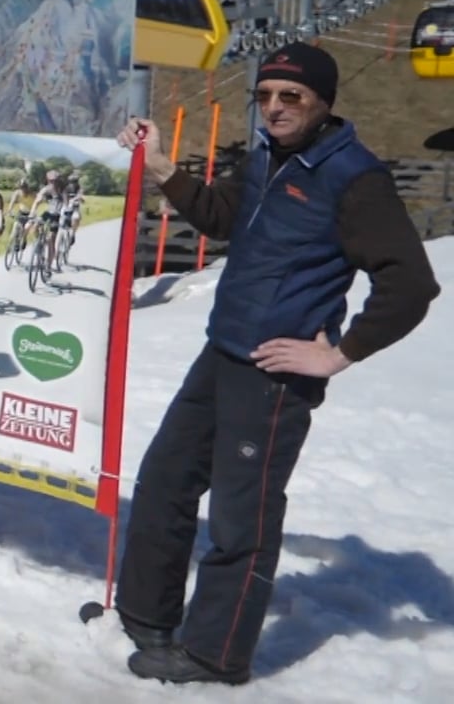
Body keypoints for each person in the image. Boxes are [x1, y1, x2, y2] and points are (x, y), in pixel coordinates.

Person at [111, 42, 439, 686]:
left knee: (242, 517)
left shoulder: (354, 178)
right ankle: (146, 615)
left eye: (291, 96)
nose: (274, 107)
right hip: (223, 350)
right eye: (264, 95)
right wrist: (160, 169)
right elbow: (220, 216)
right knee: (165, 477)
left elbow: (411, 284)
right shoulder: (267, 156)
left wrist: (337, 355)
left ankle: (215, 653)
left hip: (274, 374)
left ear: (323, 102)